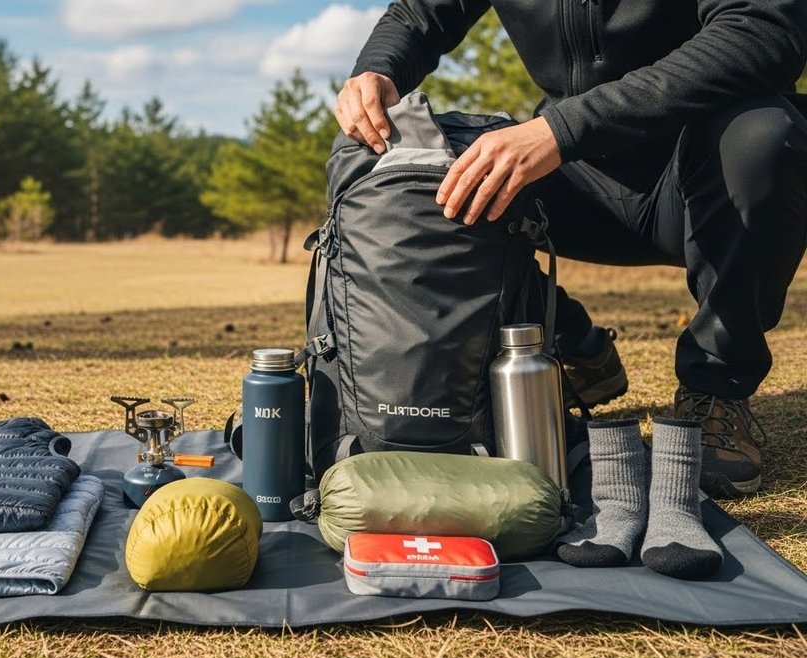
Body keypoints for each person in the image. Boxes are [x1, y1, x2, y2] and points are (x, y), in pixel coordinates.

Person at [336, 0, 807, 498]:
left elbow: (760, 33)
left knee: (764, 136)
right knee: (422, 176)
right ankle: (569, 342)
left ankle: (716, 390)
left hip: (707, 171)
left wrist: (561, 130)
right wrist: (377, 70)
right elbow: (419, 15)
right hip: (576, 176)